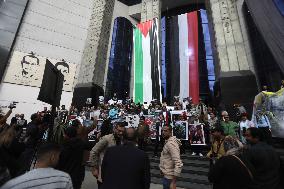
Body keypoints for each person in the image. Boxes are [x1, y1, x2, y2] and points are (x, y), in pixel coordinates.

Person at [1, 143, 73, 189]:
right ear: (53, 157)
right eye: (58, 156)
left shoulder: (14, 184)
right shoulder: (64, 178)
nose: (59, 159)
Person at [89, 122, 125, 188]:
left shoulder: (123, 140)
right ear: (115, 129)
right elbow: (94, 152)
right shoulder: (106, 139)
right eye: (119, 131)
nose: (121, 133)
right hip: (104, 172)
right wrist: (94, 168)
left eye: (122, 131)